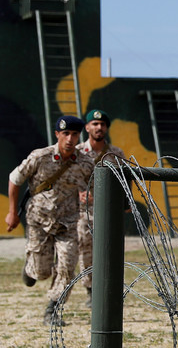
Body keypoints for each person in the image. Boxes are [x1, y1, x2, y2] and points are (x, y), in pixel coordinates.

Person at [5, 116, 96, 325]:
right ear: (57, 134)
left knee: (67, 266)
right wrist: (12, 212)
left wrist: (89, 195)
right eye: (66, 134)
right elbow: (14, 179)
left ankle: (53, 310)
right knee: (42, 272)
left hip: (68, 223)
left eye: (74, 134)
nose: (70, 139)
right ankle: (31, 269)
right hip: (39, 221)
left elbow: (93, 186)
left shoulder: (85, 163)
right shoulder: (40, 157)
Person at [76, 109, 127, 307]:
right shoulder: (78, 152)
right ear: (87, 127)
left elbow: (124, 180)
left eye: (102, 124)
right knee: (86, 250)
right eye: (94, 124)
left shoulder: (115, 154)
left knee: (109, 250)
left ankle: (108, 288)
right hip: (84, 212)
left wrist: (126, 202)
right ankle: (91, 291)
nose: (99, 127)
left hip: (109, 211)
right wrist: (77, 194)